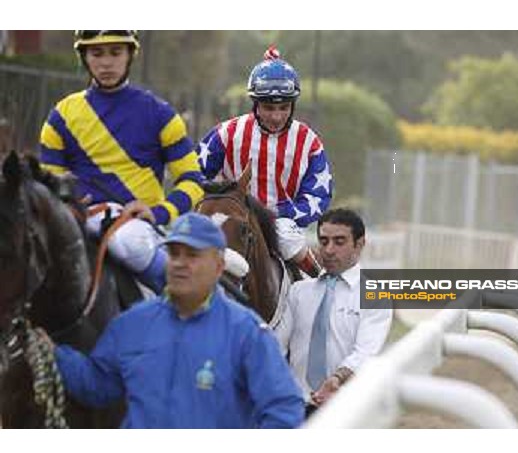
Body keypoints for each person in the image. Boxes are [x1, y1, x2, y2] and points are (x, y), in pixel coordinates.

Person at [49, 212, 304, 428]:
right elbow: (97, 385)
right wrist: (51, 352)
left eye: (192, 255)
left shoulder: (247, 333)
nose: (180, 264)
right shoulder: (131, 325)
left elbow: (284, 408)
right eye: (174, 254)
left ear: (218, 265)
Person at [38, 31, 205, 293]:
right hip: (78, 221)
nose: (106, 63)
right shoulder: (61, 116)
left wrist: (159, 212)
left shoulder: (160, 114)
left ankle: (194, 304)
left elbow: (193, 182)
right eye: (97, 53)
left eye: (115, 52)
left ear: (130, 55)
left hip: (139, 228)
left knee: (130, 244)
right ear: (84, 57)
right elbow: (47, 183)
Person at [196, 46, 333, 277]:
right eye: (269, 107)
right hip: (233, 217)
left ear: (293, 105)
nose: (277, 116)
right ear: (255, 103)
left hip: (282, 223)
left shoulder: (309, 141)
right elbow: (195, 176)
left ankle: (318, 281)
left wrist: (287, 213)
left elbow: (319, 195)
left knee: (287, 239)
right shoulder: (227, 133)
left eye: (284, 108)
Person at [279, 208, 392, 414]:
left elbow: (365, 352)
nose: (329, 250)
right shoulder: (298, 291)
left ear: (359, 244)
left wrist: (337, 379)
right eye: (323, 241)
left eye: (339, 242)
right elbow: (276, 345)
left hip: (347, 410)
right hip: (295, 406)